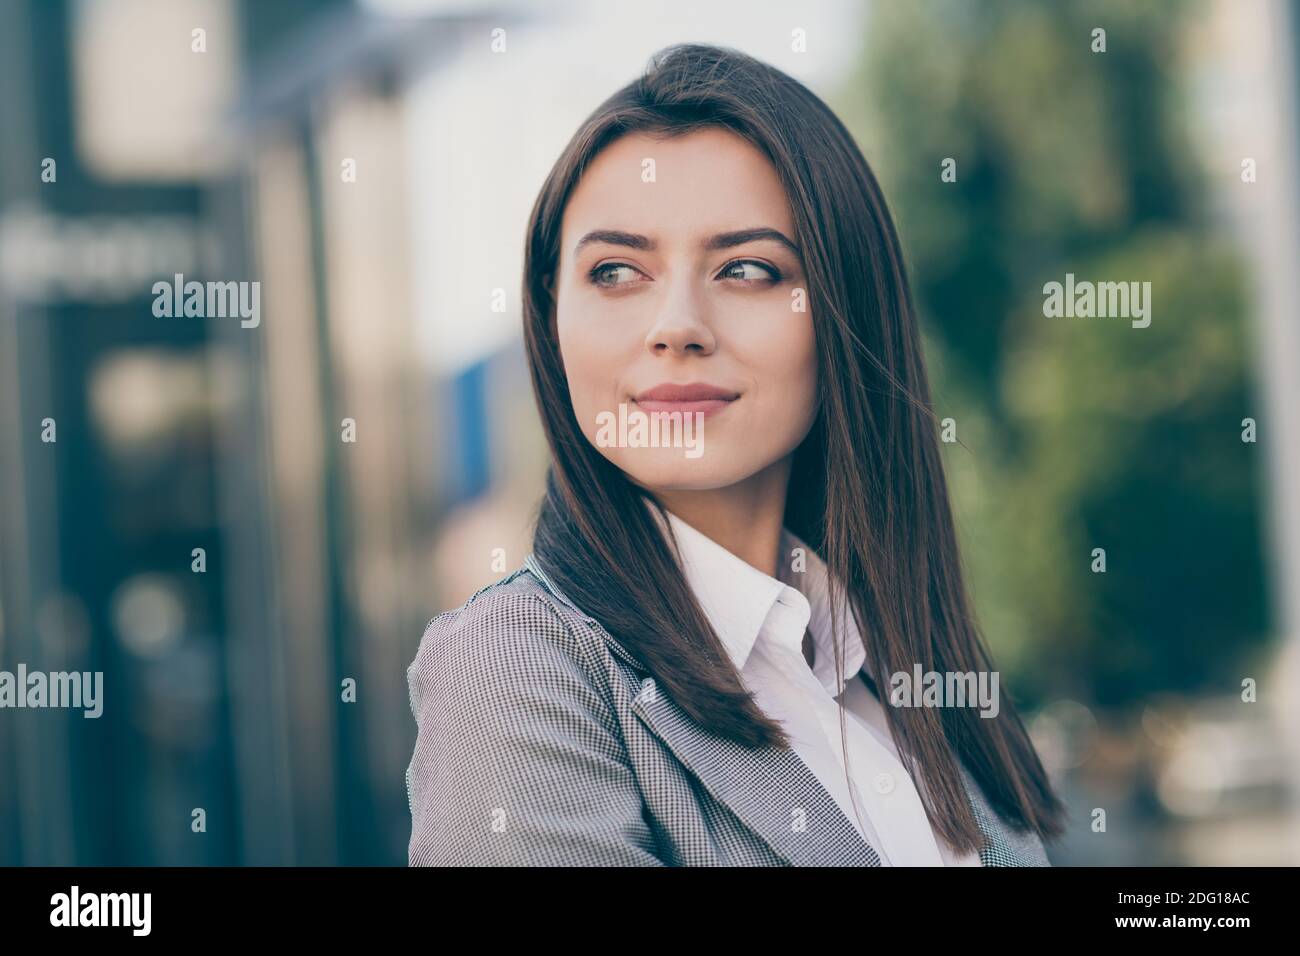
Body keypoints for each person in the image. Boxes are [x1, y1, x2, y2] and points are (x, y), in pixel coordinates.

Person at [406, 42, 1066, 866]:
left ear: (842, 310)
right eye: (615, 271)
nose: (676, 324)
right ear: (551, 318)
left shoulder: (902, 671)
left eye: (747, 269)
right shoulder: (515, 665)